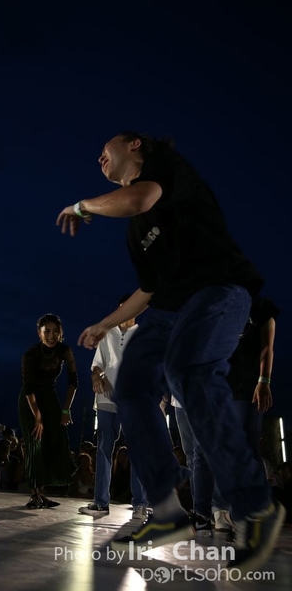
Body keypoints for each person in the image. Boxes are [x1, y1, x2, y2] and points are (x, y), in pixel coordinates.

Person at [56, 131, 285, 575]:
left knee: (189, 371)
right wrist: (105, 323)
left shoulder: (165, 167)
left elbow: (140, 199)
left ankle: (254, 506)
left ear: (134, 146)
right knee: (131, 386)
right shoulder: (135, 233)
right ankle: (166, 510)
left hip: (218, 290)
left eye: (106, 150)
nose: (99, 158)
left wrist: (82, 206)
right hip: (168, 309)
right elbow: (148, 290)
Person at [174, 295, 279, 536]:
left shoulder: (261, 306)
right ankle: (202, 515)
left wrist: (264, 380)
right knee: (202, 450)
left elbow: (267, 346)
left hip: (246, 387)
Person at [78, 294, 148, 519]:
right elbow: (97, 364)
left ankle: (140, 504)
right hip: (106, 397)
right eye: (120, 307)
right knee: (103, 449)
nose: (123, 311)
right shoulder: (107, 334)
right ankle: (100, 502)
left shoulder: (145, 335)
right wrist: (96, 376)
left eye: (128, 307)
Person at [18, 313, 78, 509]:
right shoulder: (31, 354)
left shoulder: (64, 350)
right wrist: (37, 416)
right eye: (47, 332)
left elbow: (73, 382)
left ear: (61, 332)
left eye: (55, 331)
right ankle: (35, 495)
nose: (51, 336)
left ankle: (43, 494)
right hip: (31, 401)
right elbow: (28, 388)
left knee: (54, 442)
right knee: (35, 444)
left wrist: (66, 409)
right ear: (39, 333)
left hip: (51, 398)